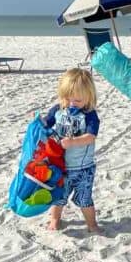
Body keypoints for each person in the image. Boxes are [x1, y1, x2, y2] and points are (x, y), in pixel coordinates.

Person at [44, 68, 101, 232]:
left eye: (77, 100)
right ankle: (55, 220)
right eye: (67, 98)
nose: (71, 104)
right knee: (58, 197)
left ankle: (92, 224)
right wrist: (38, 125)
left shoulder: (90, 115)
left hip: (83, 168)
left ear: (88, 97)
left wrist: (73, 141)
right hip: (60, 166)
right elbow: (46, 124)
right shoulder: (58, 110)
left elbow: (91, 137)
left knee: (85, 199)